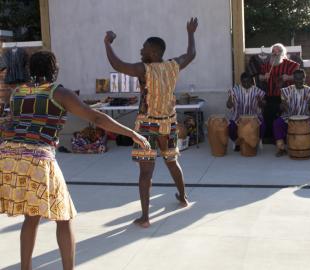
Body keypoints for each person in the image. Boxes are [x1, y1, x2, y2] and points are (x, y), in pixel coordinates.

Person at [0, 51, 150, 270]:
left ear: (31, 71)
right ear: (55, 70)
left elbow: (14, 123)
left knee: (31, 216)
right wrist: (132, 133)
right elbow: (96, 118)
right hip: (38, 158)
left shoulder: (18, 93)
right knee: (64, 216)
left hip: (9, 157)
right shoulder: (59, 93)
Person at [104, 17, 198, 228]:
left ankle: (145, 218)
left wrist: (107, 44)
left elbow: (117, 65)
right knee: (172, 161)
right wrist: (190, 32)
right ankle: (183, 198)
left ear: (154, 52)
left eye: (144, 48)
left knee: (146, 172)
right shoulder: (173, 66)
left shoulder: (143, 69)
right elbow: (191, 54)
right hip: (169, 124)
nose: (141, 50)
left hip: (148, 125)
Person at [273, 69, 310, 157]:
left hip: (307, 117)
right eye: (296, 79)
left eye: (301, 78)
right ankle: (281, 148)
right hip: (289, 117)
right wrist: (282, 106)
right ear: (293, 79)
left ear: (304, 79)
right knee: (277, 123)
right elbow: (282, 107)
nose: (299, 81)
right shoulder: (286, 91)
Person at [259, 43, 300, 140]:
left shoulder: (291, 64)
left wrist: (288, 77)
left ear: (283, 53)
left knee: (283, 115)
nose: (275, 53)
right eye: (273, 51)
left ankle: (285, 137)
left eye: (278, 51)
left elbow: (299, 77)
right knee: (269, 113)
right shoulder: (266, 66)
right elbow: (259, 77)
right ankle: (271, 137)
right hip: (270, 95)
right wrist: (264, 77)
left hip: (286, 96)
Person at [226, 72, 265, 151]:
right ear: (241, 81)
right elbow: (228, 105)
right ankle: (237, 142)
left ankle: (257, 140)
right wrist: (230, 102)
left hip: (254, 117)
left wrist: (260, 102)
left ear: (252, 81)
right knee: (230, 126)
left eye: (248, 81)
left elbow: (263, 105)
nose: (246, 84)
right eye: (244, 82)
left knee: (263, 125)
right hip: (238, 117)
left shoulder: (257, 91)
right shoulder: (234, 90)